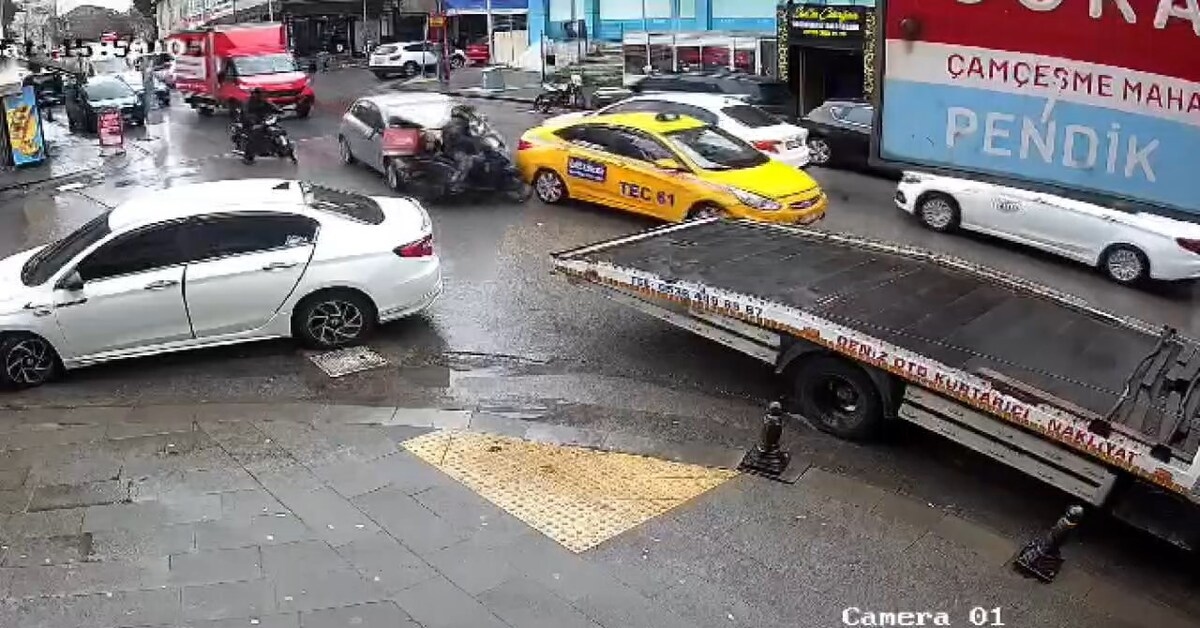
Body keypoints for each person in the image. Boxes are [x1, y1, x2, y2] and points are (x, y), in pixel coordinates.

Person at [441, 108, 486, 187]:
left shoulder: (462, 123)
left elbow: (470, 134)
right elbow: (456, 137)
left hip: (458, 148)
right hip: (454, 150)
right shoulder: (455, 124)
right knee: (467, 160)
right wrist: (473, 142)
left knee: (479, 158)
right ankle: (455, 182)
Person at [242, 88, 282, 159]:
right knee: (254, 135)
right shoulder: (248, 103)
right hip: (250, 123)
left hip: (263, 121)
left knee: (276, 129)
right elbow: (245, 114)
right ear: (255, 94)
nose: (263, 96)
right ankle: (249, 155)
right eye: (261, 94)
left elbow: (273, 107)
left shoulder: (264, 101)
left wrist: (279, 110)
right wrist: (252, 121)